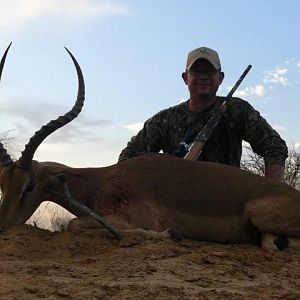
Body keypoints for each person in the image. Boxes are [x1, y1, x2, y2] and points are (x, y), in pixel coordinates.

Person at [118, 47, 288, 182]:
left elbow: (274, 145)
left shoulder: (236, 109)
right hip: (174, 204)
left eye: (209, 71)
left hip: (226, 203)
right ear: (185, 78)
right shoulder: (164, 121)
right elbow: (129, 157)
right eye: (197, 72)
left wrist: (272, 191)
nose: (203, 77)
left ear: (220, 78)